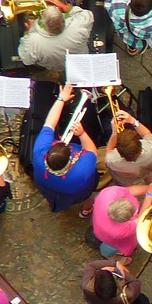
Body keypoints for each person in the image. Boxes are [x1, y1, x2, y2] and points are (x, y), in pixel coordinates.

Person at [31, 84, 101, 213]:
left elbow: (49, 124)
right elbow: (92, 152)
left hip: (45, 185)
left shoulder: (39, 151)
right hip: (76, 192)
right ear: (70, 156)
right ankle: (86, 209)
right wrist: (82, 134)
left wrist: (61, 99)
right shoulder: (82, 171)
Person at [17, 0, 94, 73]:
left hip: (53, 69)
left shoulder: (33, 40)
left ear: (44, 24)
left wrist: (29, 30)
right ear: (63, 17)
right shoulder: (78, 26)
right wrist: (64, 6)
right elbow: (88, 14)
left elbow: (26, 60)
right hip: (80, 62)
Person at [92, 180, 152, 257]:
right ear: (128, 219)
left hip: (99, 229)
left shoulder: (108, 194)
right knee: (110, 250)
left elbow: (130, 190)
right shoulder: (122, 231)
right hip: (114, 241)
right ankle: (109, 255)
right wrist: (150, 194)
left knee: (105, 241)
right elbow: (142, 219)